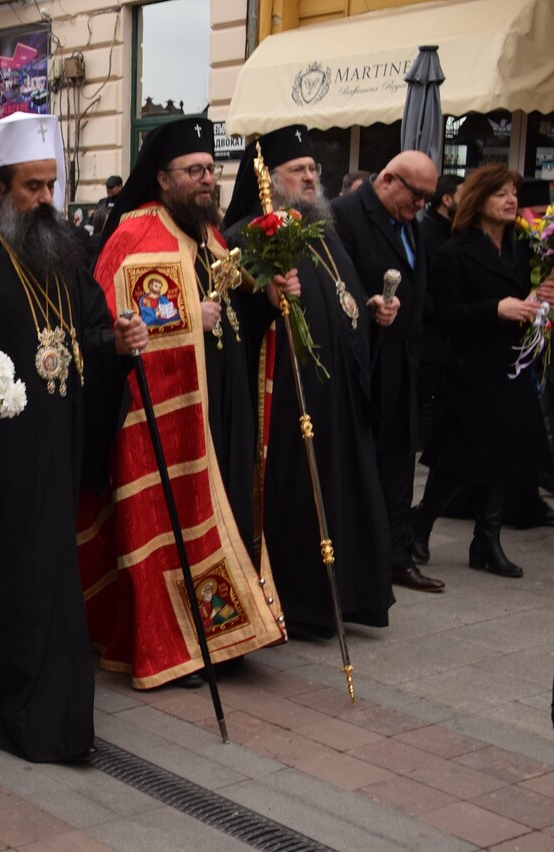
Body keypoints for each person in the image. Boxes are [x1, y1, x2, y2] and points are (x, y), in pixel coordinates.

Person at [0, 112, 148, 761]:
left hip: (57, 439)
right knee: (11, 578)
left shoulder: (62, 250)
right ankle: (18, 713)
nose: (44, 200)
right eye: (31, 187)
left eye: (50, 186)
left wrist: (117, 340)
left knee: (50, 576)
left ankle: (42, 704)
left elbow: (83, 330)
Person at [79, 116, 286, 689]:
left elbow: (235, 305)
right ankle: (174, 642)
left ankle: (219, 635)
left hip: (217, 404)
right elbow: (115, 323)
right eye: (194, 171)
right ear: (163, 179)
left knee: (220, 512)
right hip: (161, 416)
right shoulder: (135, 234)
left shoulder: (209, 234)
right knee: (172, 523)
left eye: (211, 171)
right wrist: (189, 317)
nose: (206, 180)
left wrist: (267, 297)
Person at [223, 125, 396, 637]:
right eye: (296, 170)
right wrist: (265, 302)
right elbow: (235, 325)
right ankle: (301, 604)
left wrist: (369, 308)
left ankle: (348, 595)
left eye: (312, 170)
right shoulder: (246, 238)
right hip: (285, 403)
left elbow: (341, 298)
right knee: (298, 499)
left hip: (338, 399)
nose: (308, 177)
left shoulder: (320, 231)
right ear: (268, 181)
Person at [411, 165, 554, 578]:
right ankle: (420, 523)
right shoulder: (452, 253)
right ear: (479, 201)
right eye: (500, 194)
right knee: (461, 455)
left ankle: (487, 540)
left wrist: (538, 298)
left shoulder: (525, 246)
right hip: (470, 366)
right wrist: (496, 309)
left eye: (513, 193)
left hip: (512, 362)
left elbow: (529, 293)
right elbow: (443, 314)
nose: (511, 200)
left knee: (504, 452)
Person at [332, 151, 446, 593]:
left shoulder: (412, 225)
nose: (421, 205)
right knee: (365, 464)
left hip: (403, 362)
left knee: (400, 465)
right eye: (417, 195)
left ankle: (398, 556)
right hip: (365, 362)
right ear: (387, 180)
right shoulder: (346, 216)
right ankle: (361, 562)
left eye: (428, 198)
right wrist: (366, 303)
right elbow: (334, 282)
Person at [416, 174, 465, 449]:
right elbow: (423, 290)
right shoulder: (428, 234)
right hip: (431, 339)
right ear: (446, 200)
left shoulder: (455, 233)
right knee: (425, 404)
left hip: (443, 340)